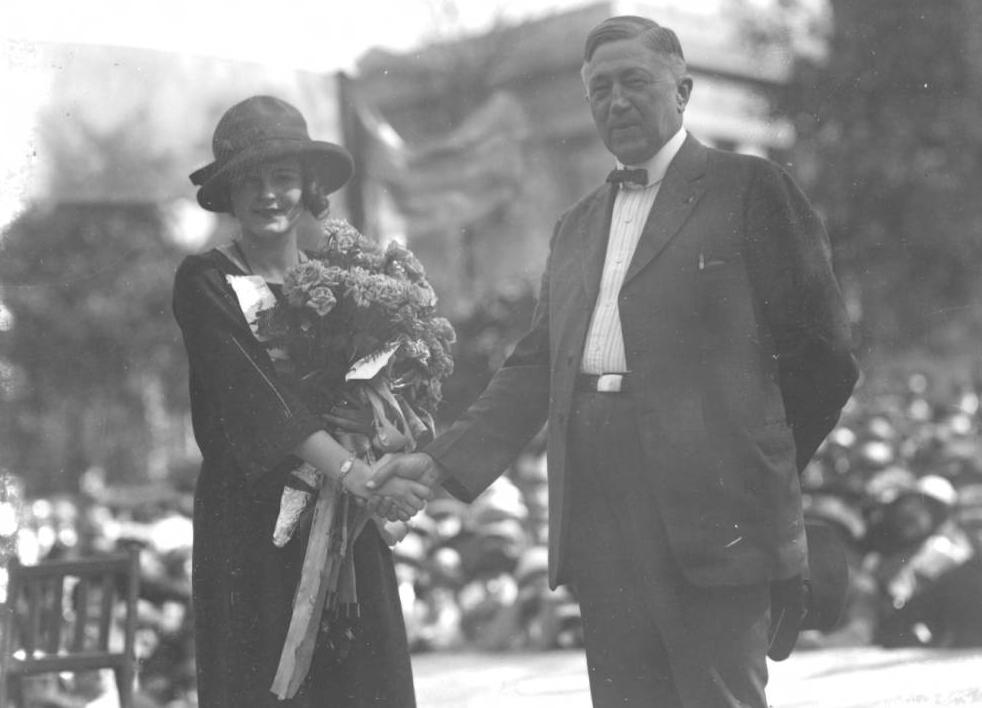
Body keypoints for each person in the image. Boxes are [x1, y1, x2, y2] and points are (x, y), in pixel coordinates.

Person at [372, 16, 859, 707]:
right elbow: (536, 367)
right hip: (599, 516)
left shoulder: (750, 189)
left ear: (683, 90)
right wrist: (443, 461)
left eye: (635, 81)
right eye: (600, 89)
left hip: (715, 519)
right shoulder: (576, 225)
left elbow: (826, 356)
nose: (617, 101)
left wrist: (755, 467)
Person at [172, 95, 429, 707]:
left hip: (348, 520)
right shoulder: (207, 282)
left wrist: (384, 446)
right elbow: (259, 400)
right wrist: (358, 473)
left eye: (283, 179)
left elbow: (385, 395)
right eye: (251, 181)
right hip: (256, 527)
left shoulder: (345, 282)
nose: (269, 195)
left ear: (307, 187)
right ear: (229, 195)